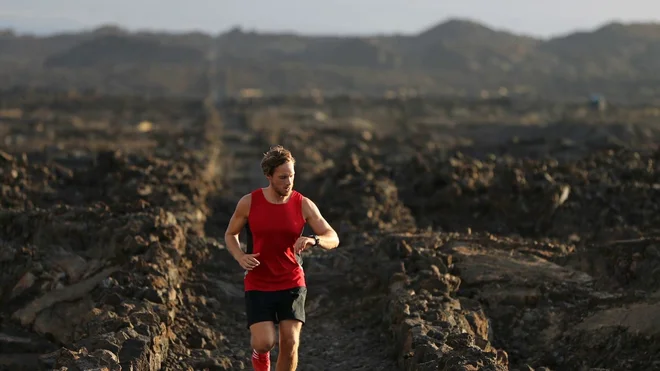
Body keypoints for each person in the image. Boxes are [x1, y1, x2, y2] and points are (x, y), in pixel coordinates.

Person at [224, 145, 340, 371]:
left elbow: (332, 237)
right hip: (258, 281)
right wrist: (239, 255)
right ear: (269, 176)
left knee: (290, 342)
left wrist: (314, 240)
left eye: (292, 176)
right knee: (264, 342)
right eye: (283, 177)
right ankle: (260, 355)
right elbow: (230, 234)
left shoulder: (303, 204)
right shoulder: (249, 202)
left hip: (292, 281)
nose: (289, 182)